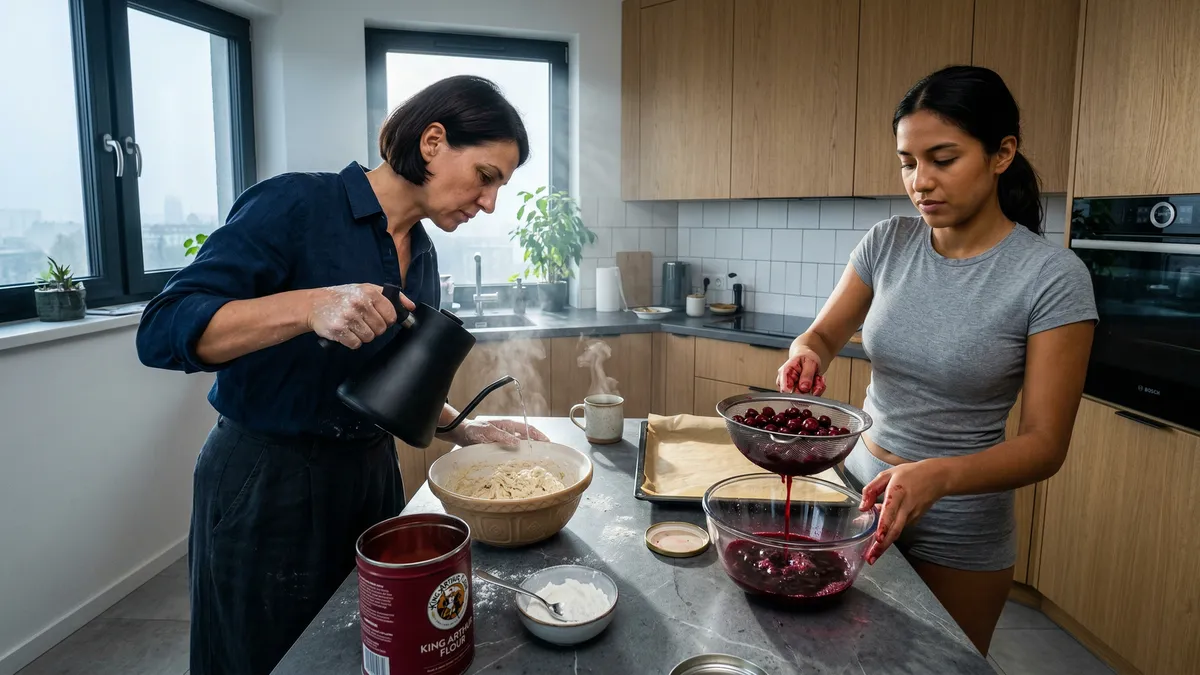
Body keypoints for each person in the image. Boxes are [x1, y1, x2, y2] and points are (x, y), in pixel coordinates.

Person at [136, 74, 549, 675]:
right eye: (487, 176)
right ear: (432, 141)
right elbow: (163, 328)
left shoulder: (422, 254)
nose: (489, 203)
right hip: (266, 480)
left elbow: (390, 384)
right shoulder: (296, 204)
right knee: (259, 657)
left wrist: (465, 429)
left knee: (360, 646)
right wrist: (309, 307)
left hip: (369, 479)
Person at [775, 65, 1097, 655]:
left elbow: (1045, 444)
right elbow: (821, 336)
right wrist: (805, 354)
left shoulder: (1052, 277)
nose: (920, 181)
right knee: (836, 657)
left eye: (943, 159)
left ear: (1002, 153)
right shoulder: (887, 242)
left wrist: (938, 475)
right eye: (907, 161)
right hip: (858, 494)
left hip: (960, 526)